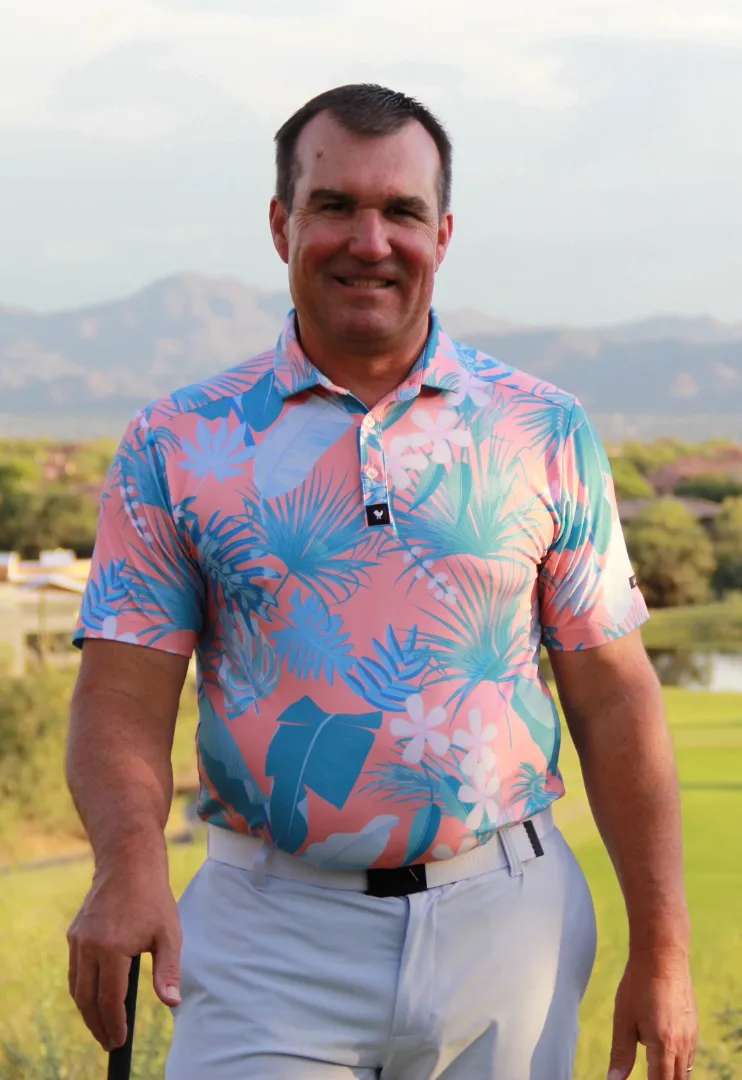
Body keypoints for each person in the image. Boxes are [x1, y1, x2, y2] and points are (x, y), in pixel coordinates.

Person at [66, 83, 697, 1080]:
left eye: (401, 210)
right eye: (335, 206)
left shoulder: (542, 429)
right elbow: (118, 698)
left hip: (511, 930)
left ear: (442, 233)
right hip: (267, 937)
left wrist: (663, 952)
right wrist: (126, 865)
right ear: (281, 223)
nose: (371, 241)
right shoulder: (177, 440)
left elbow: (614, 696)